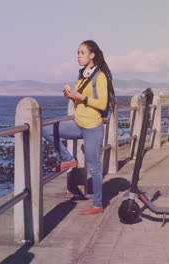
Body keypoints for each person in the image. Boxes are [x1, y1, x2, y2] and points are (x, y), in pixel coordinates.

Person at [43, 40, 115, 215]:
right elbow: (82, 100)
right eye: (78, 53)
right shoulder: (83, 75)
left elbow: (102, 103)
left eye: (83, 53)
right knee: (46, 129)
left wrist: (80, 97)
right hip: (77, 123)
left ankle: (97, 205)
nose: (79, 56)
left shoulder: (100, 76)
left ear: (92, 55)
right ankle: (68, 159)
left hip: (93, 127)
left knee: (93, 167)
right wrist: (72, 96)